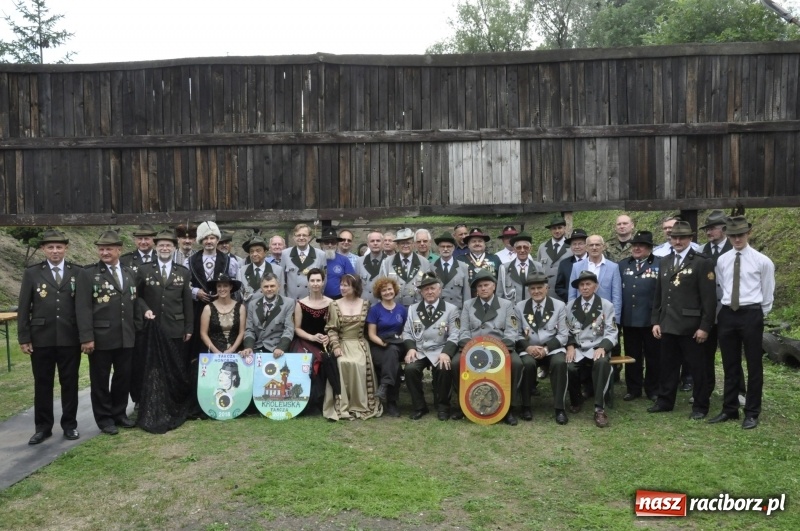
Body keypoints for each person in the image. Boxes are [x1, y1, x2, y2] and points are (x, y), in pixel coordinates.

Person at [709, 216, 775, 430]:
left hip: (751, 313)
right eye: (733, 235)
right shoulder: (723, 260)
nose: (737, 239)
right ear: (727, 235)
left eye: (741, 235)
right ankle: (730, 408)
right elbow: (722, 284)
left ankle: (752, 412)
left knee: (754, 365)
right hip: (728, 313)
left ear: (748, 234)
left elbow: (767, 292)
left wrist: (758, 314)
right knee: (730, 364)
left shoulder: (762, 261)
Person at [18, 229, 82, 444]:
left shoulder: (77, 272)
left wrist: (84, 337)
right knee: (43, 384)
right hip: (41, 338)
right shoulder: (32, 273)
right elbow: (24, 306)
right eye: (50, 247)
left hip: (69, 337)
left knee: (70, 383)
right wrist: (24, 338)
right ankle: (43, 427)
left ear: (66, 248)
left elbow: (82, 309)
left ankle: (69, 425)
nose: (55, 251)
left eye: (59, 247)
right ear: (44, 249)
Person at [648, 221, 717, 420]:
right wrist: (656, 321)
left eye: (682, 238)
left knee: (698, 369)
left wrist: (705, 326)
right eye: (674, 238)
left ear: (690, 239)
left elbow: (709, 299)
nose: (678, 241)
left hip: (691, 326)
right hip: (668, 323)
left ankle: (701, 405)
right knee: (668, 367)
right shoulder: (665, 261)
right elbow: (659, 295)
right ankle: (664, 401)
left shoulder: (702, 262)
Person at [76, 230, 140, 435]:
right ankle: (104, 419)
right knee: (101, 379)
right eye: (101, 249)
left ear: (119, 250)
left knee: (123, 378)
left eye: (109, 249)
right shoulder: (88, 274)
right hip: (101, 337)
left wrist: (137, 328)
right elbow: (83, 308)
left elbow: (134, 302)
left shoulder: (129, 272)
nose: (104, 253)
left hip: (126, 335)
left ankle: (119, 413)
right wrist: (86, 337)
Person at [452, 270, 522, 425]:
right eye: (480, 286)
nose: (483, 288)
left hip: (500, 349)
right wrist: (470, 347)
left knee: (516, 364)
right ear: (476, 289)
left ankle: (510, 407)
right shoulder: (468, 305)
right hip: (473, 349)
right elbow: (463, 331)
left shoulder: (506, 305)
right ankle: (462, 405)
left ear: (494, 286)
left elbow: (512, 331)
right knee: (456, 363)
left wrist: (501, 349)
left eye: (486, 285)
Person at [135, 230, 194, 405]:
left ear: (174, 248)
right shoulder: (144, 270)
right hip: (151, 327)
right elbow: (136, 296)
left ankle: (173, 398)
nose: (165, 248)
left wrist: (189, 327)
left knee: (174, 364)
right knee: (151, 365)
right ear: (156, 247)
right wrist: (145, 309)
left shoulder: (183, 272)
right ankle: (151, 399)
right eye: (161, 245)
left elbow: (187, 302)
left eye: (168, 245)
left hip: (175, 326)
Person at [512, 272, 570, 424]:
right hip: (529, 348)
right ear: (529, 290)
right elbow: (516, 334)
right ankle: (525, 405)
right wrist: (528, 347)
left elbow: (563, 335)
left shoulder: (559, 306)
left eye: (539, 288)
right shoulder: (520, 307)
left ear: (547, 288)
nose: (536, 291)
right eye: (532, 288)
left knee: (559, 363)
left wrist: (545, 349)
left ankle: (559, 408)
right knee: (527, 364)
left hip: (552, 348)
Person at [323, 274, 382, 420]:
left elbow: (371, 328)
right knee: (343, 362)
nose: (342, 288)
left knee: (359, 363)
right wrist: (335, 346)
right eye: (341, 285)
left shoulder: (366, 304)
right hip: (342, 342)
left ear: (355, 287)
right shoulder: (334, 304)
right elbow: (331, 329)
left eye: (346, 285)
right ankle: (343, 404)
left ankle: (360, 403)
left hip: (360, 343)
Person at [565, 271, 619, 428]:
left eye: (588, 284)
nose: (585, 288)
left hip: (597, 346)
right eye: (581, 285)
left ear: (595, 286)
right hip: (579, 348)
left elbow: (612, 331)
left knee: (602, 363)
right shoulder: (570, 306)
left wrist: (603, 347)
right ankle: (576, 400)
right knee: (569, 366)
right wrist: (570, 346)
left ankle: (599, 408)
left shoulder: (606, 305)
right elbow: (566, 331)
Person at [699, 210, 743, 402]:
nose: (709, 232)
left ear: (724, 229)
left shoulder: (734, 249)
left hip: (728, 309)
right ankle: (706, 389)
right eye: (707, 229)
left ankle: (738, 390)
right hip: (707, 310)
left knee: (731, 353)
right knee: (705, 354)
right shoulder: (701, 251)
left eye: (713, 228)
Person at [403, 273, 459, 420]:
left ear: (439, 290)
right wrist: (411, 348)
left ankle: (443, 407)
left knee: (444, 367)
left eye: (432, 288)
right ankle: (419, 406)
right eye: (426, 289)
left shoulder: (451, 309)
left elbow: (455, 334)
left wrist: (447, 352)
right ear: (421, 292)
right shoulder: (413, 309)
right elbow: (407, 332)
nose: (429, 292)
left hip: (440, 349)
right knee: (410, 370)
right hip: (420, 350)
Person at [618, 231, 660, 401]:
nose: (636, 248)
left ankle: (653, 389)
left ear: (649, 248)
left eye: (641, 245)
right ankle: (633, 388)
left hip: (651, 319)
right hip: (629, 319)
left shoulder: (660, 264)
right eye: (634, 245)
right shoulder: (622, 265)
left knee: (653, 356)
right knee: (631, 356)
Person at [288, 268, 331, 415]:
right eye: (312, 280)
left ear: (323, 282)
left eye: (318, 280)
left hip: (325, 343)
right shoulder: (301, 304)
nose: (315, 283)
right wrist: (311, 337)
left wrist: (329, 337)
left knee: (327, 361)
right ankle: (306, 404)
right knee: (308, 362)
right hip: (305, 341)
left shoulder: (331, 303)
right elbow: (297, 328)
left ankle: (321, 401)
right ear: (308, 283)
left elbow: (334, 327)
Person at [366, 277, 408, 418]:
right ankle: (392, 402)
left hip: (397, 344)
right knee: (392, 359)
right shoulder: (374, 310)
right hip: (380, 344)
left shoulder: (402, 310)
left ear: (394, 290)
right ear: (379, 293)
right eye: (384, 290)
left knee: (393, 351)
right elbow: (372, 334)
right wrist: (382, 342)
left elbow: (405, 331)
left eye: (389, 289)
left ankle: (384, 386)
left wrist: (398, 339)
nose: (387, 292)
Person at [568, 235, 621, 324]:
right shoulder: (576, 267)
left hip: (604, 314)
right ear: (586, 247)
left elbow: (617, 296)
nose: (594, 248)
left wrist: (615, 319)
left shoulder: (613, 267)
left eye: (597, 245)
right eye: (591, 245)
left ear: (603, 247)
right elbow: (572, 293)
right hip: (581, 313)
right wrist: (571, 315)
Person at [240, 273, 296, 357]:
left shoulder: (288, 303)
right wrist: (248, 347)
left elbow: (289, 330)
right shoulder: (252, 304)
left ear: (278, 286)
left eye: (272, 286)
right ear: (261, 288)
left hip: (277, 348)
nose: (269, 289)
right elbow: (249, 330)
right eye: (266, 286)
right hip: (257, 348)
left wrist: (281, 348)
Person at [380, 228, 431, 306]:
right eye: (402, 243)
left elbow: (428, 288)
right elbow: (381, 286)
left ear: (413, 244)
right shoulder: (387, 262)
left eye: (408, 243)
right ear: (397, 245)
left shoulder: (424, 262)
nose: (405, 246)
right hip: (394, 308)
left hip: (417, 308)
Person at [199, 274, 246, 354]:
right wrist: (216, 352)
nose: (222, 289)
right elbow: (203, 334)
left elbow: (242, 332)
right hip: (214, 353)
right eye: (219, 286)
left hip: (236, 352)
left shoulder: (241, 308)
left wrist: (232, 349)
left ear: (230, 287)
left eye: (225, 286)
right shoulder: (208, 308)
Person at [280, 223, 327, 299]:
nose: (301, 238)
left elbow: (324, 280)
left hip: (311, 301)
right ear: (294, 237)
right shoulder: (285, 254)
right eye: (298, 235)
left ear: (309, 237)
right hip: (292, 301)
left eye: (304, 235)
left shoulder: (320, 255)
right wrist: (284, 300)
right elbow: (281, 280)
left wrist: (318, 298)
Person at [497, 233, 544, 304]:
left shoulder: (538, 266)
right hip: (512, 310)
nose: (522, 250)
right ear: (514, 249)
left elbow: (543, 290)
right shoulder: (504, 268)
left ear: (530, 249)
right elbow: (499, 294)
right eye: (519, 247)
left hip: (531, 308)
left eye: (525, 247)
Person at [237, 235, 283, 304]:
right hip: (249, 311)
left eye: (258, 251)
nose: (254, 254)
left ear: (265, 252)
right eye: (251, 251)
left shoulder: (277, 270)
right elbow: (239, 296)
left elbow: (281, 294)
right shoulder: (242, 271)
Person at [457, 228, 502, 296]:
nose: (477, 243)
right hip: (468, 298)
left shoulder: (494, 258)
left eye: (480, 241)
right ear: (468, 245)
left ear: (484, 244)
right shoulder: (460, 260)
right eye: (474, 241)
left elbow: (500, 280)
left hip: (490, 298)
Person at [431, 233, 471, 310]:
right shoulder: (431, 267)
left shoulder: (462, 267)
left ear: (454, 248)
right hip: (437, 311)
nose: (445, 249)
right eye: (442, 246)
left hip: (456, 312)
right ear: (438, 248)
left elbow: (466, 294)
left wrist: (466, 313)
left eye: (449, 246)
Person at [317, 227, 356, 299]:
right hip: (319, 298)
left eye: (333, 242)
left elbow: (352, 281)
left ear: (337, 244)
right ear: (321, 244)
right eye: (326, 242)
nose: (330, 245)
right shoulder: (316, 259)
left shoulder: (344, 260)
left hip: (339, 299)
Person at [537, 215, 571, 290]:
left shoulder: (571, 248)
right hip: (545, 291)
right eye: (554, 228)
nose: (557, 231)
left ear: (565, 228)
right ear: (550, 230)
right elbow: (538, 269)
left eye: (559, 228)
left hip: (564, 291)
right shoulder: (542, 247)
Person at [555, 229, 588, 303]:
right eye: (574, 244)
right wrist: (572, 295)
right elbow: (559, 288)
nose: (577, 247)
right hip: (572, 303)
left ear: (587, 245)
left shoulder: (593, 261)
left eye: (580, 244)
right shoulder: (564, 264)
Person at [356, 231, 385, 305]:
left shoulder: (389, 261)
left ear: (383, 243)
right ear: (368, 244)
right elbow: (356, 285)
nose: (375, 243)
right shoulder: (360, 261)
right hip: (364, 304)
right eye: (372, 241)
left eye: (378, 241)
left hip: (382, 303)